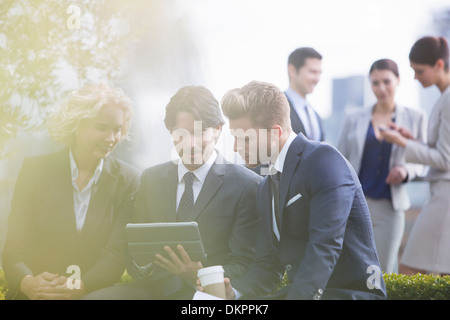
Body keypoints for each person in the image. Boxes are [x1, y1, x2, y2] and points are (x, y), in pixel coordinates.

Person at [203, 80, 386, 300]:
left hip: (351, 294)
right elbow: (266, 265)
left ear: (275, 132)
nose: (236, 147)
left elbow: (324, 245)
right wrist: (233, 292)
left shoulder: (325, 161)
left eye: (245, 138)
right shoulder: (266, 187)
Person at [83, 85, 262, 299]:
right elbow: (134, 253)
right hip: (152, 291)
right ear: (170, 130)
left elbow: (244, 263)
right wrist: (142, 261)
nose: (191, 144)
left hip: (204, 293)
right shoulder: (151, 179)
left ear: (217, 129)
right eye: (181, 134)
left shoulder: (247, 185)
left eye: (199, 133)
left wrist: (198, 274)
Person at [1, 83, 141, 300]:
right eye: (102, 127)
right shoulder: (35, 170)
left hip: (94, 293)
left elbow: (115, 255)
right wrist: (28, 283)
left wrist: (81, 287)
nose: (112, 138)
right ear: (76, 125)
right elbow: (15, 246)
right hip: (35, 293)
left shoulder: (129, 180)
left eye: (118, 130)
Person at [336, 59, 427, 274]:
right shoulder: (353, 117)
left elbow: (421, 161)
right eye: (375, 83)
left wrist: (405, 172)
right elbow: (339, 159)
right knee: (354, 268)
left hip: (390, 207)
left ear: (398, 80)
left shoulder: (415, 117)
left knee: (383, 270)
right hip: (356, 205)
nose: (381, 88)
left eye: (387, 81)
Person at [380, 36, 450, 276]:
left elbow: (445, 159)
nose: (415, 77)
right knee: (437, 274)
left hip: (445, 198)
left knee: (410, 270)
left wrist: (402, 143)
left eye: (419, 71)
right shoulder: (443, 97)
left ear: (439, 65)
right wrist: (411, 140)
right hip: (440, 195)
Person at [285, 47, 325, 141]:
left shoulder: (316, 116)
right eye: (312, 72)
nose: (317, 79)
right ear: (292, 71)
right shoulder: (275, 108)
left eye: (319, 73)